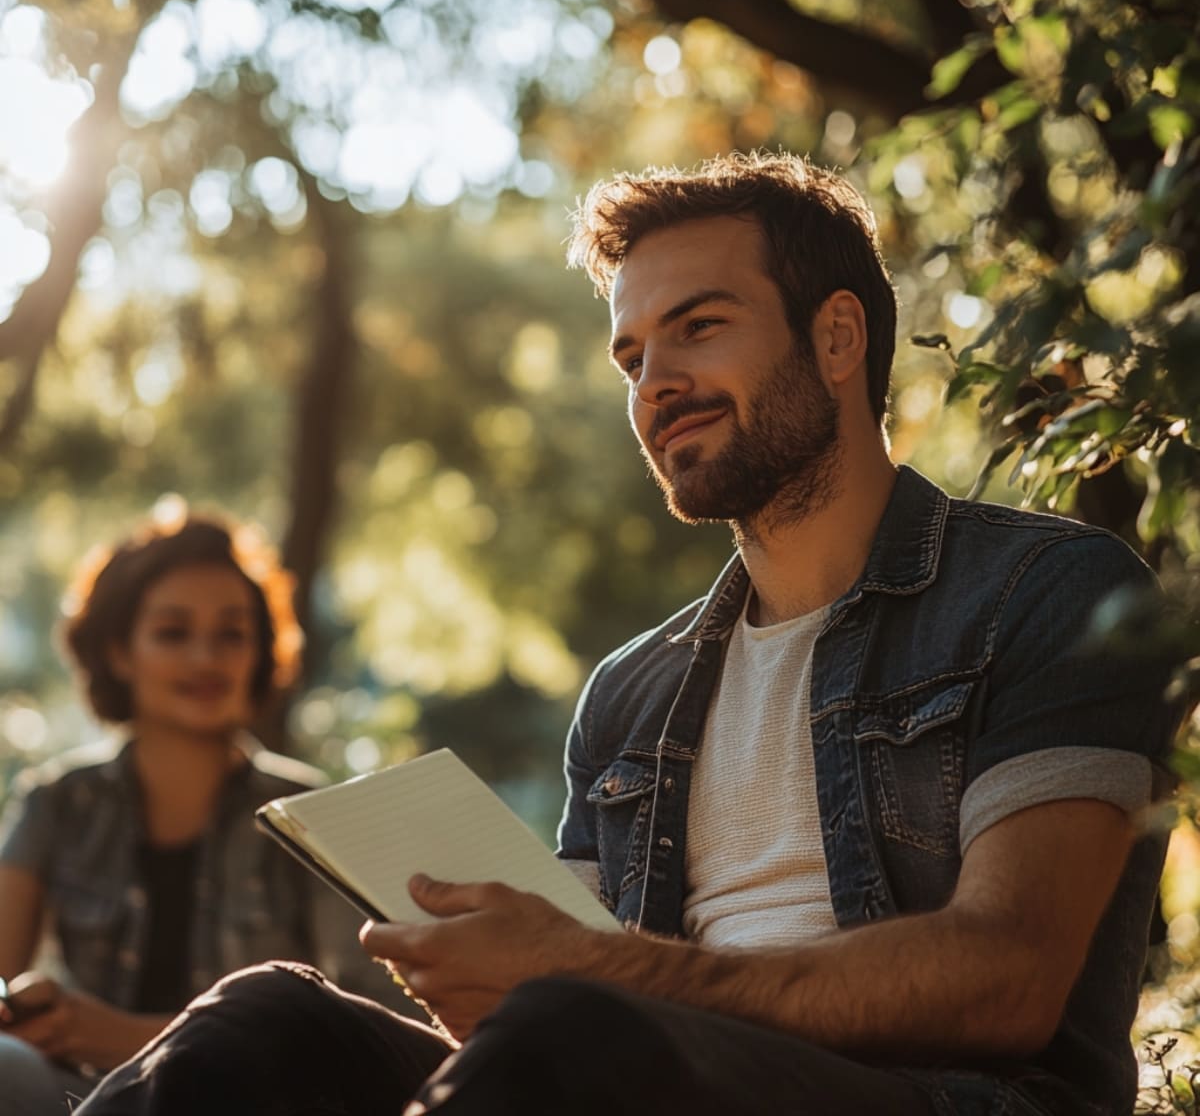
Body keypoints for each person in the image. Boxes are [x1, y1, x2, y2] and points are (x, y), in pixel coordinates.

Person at [75, 153, 1177, 1116]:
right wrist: (490, 973)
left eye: (699, 327)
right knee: (265, 1021)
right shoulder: (631, 694)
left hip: (942, 1101)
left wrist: (594, 981)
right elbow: (547, 1014)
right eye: (633, 356)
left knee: (578, 1032)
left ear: (838, 336)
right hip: (635, 1077)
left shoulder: (1046, 591)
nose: (658, 384)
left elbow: (1010, 977)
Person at [0, 510, 398, 1114]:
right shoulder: (55, 803)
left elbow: (366, 1029)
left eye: (232, 634)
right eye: (173, 632)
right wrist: (31, 1014)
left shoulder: (314, 814)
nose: (206, 658)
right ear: (118, 652)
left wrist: (118, 1035)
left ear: (260, 652)